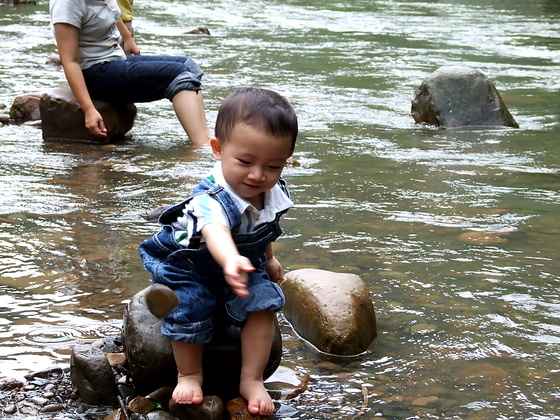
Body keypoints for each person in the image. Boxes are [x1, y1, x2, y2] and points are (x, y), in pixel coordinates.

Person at [138, 88, 298, 415]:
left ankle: (251, 379)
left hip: (242, 265)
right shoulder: (210, 197)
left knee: (264, 303)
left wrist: (268, 258)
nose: (257, 175)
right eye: (245, 161)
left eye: (273, 166)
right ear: (217, 149)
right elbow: (216, 231)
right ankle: (189, 374)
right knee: (191, 304)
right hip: (190, 263)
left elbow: (263, 226)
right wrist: (229, 259)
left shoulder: (272, 191)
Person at [49, 0, 210, 146]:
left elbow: (111, 10)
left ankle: (207, 138)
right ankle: (201, 146)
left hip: (114, 60)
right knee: (179, 73)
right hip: (94, 73)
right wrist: (89, 109)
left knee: (188, 65)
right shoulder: (66, 4)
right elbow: (69, 61)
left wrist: (127, 38)